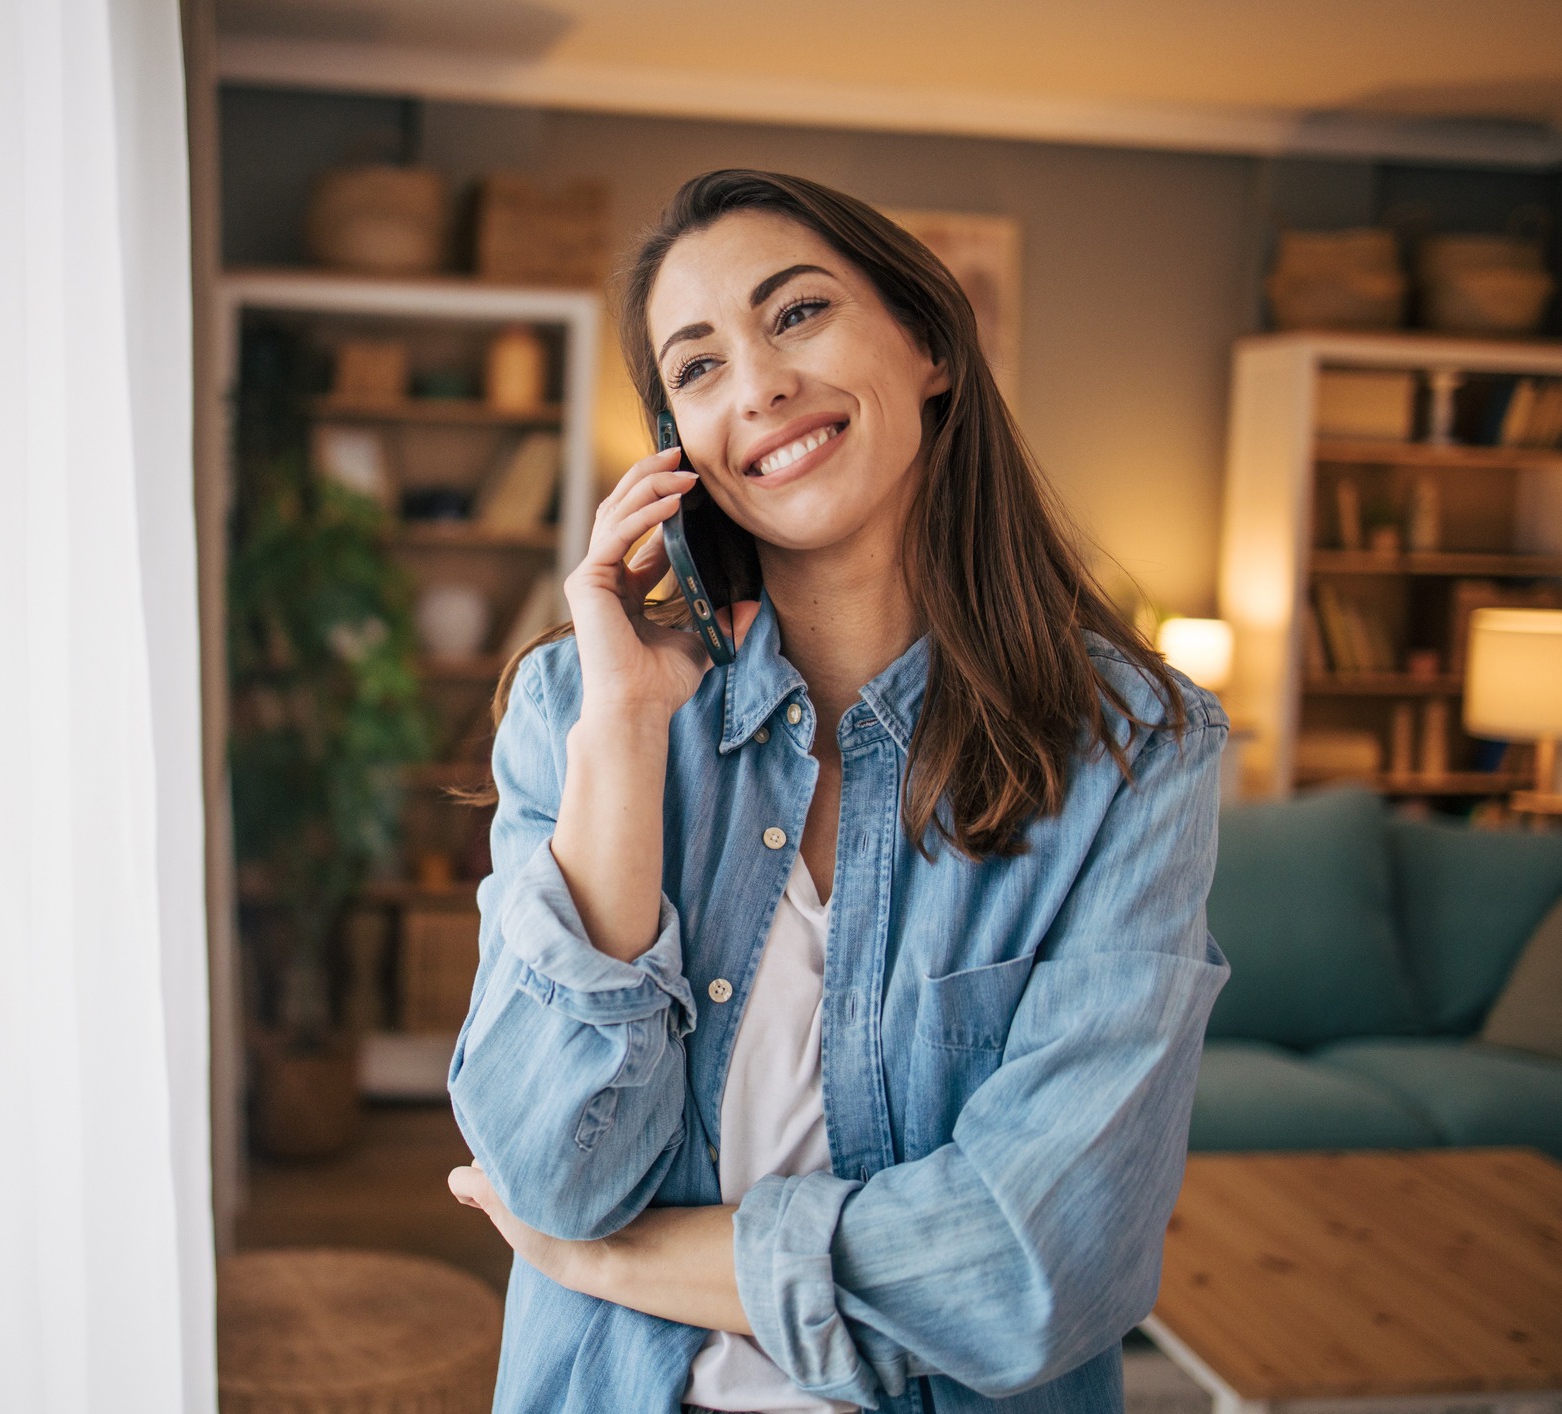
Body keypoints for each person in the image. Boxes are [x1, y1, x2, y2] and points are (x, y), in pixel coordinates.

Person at [443, 169, 1229, 1414]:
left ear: (926, 344)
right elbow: (551, 1172)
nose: (755, 386)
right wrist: (628, 739)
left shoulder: (1135, 750)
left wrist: (613, 1260)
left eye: (796, 314)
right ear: (678, 453)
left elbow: (1036, 1264)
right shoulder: (579, 709)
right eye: (696, 368)